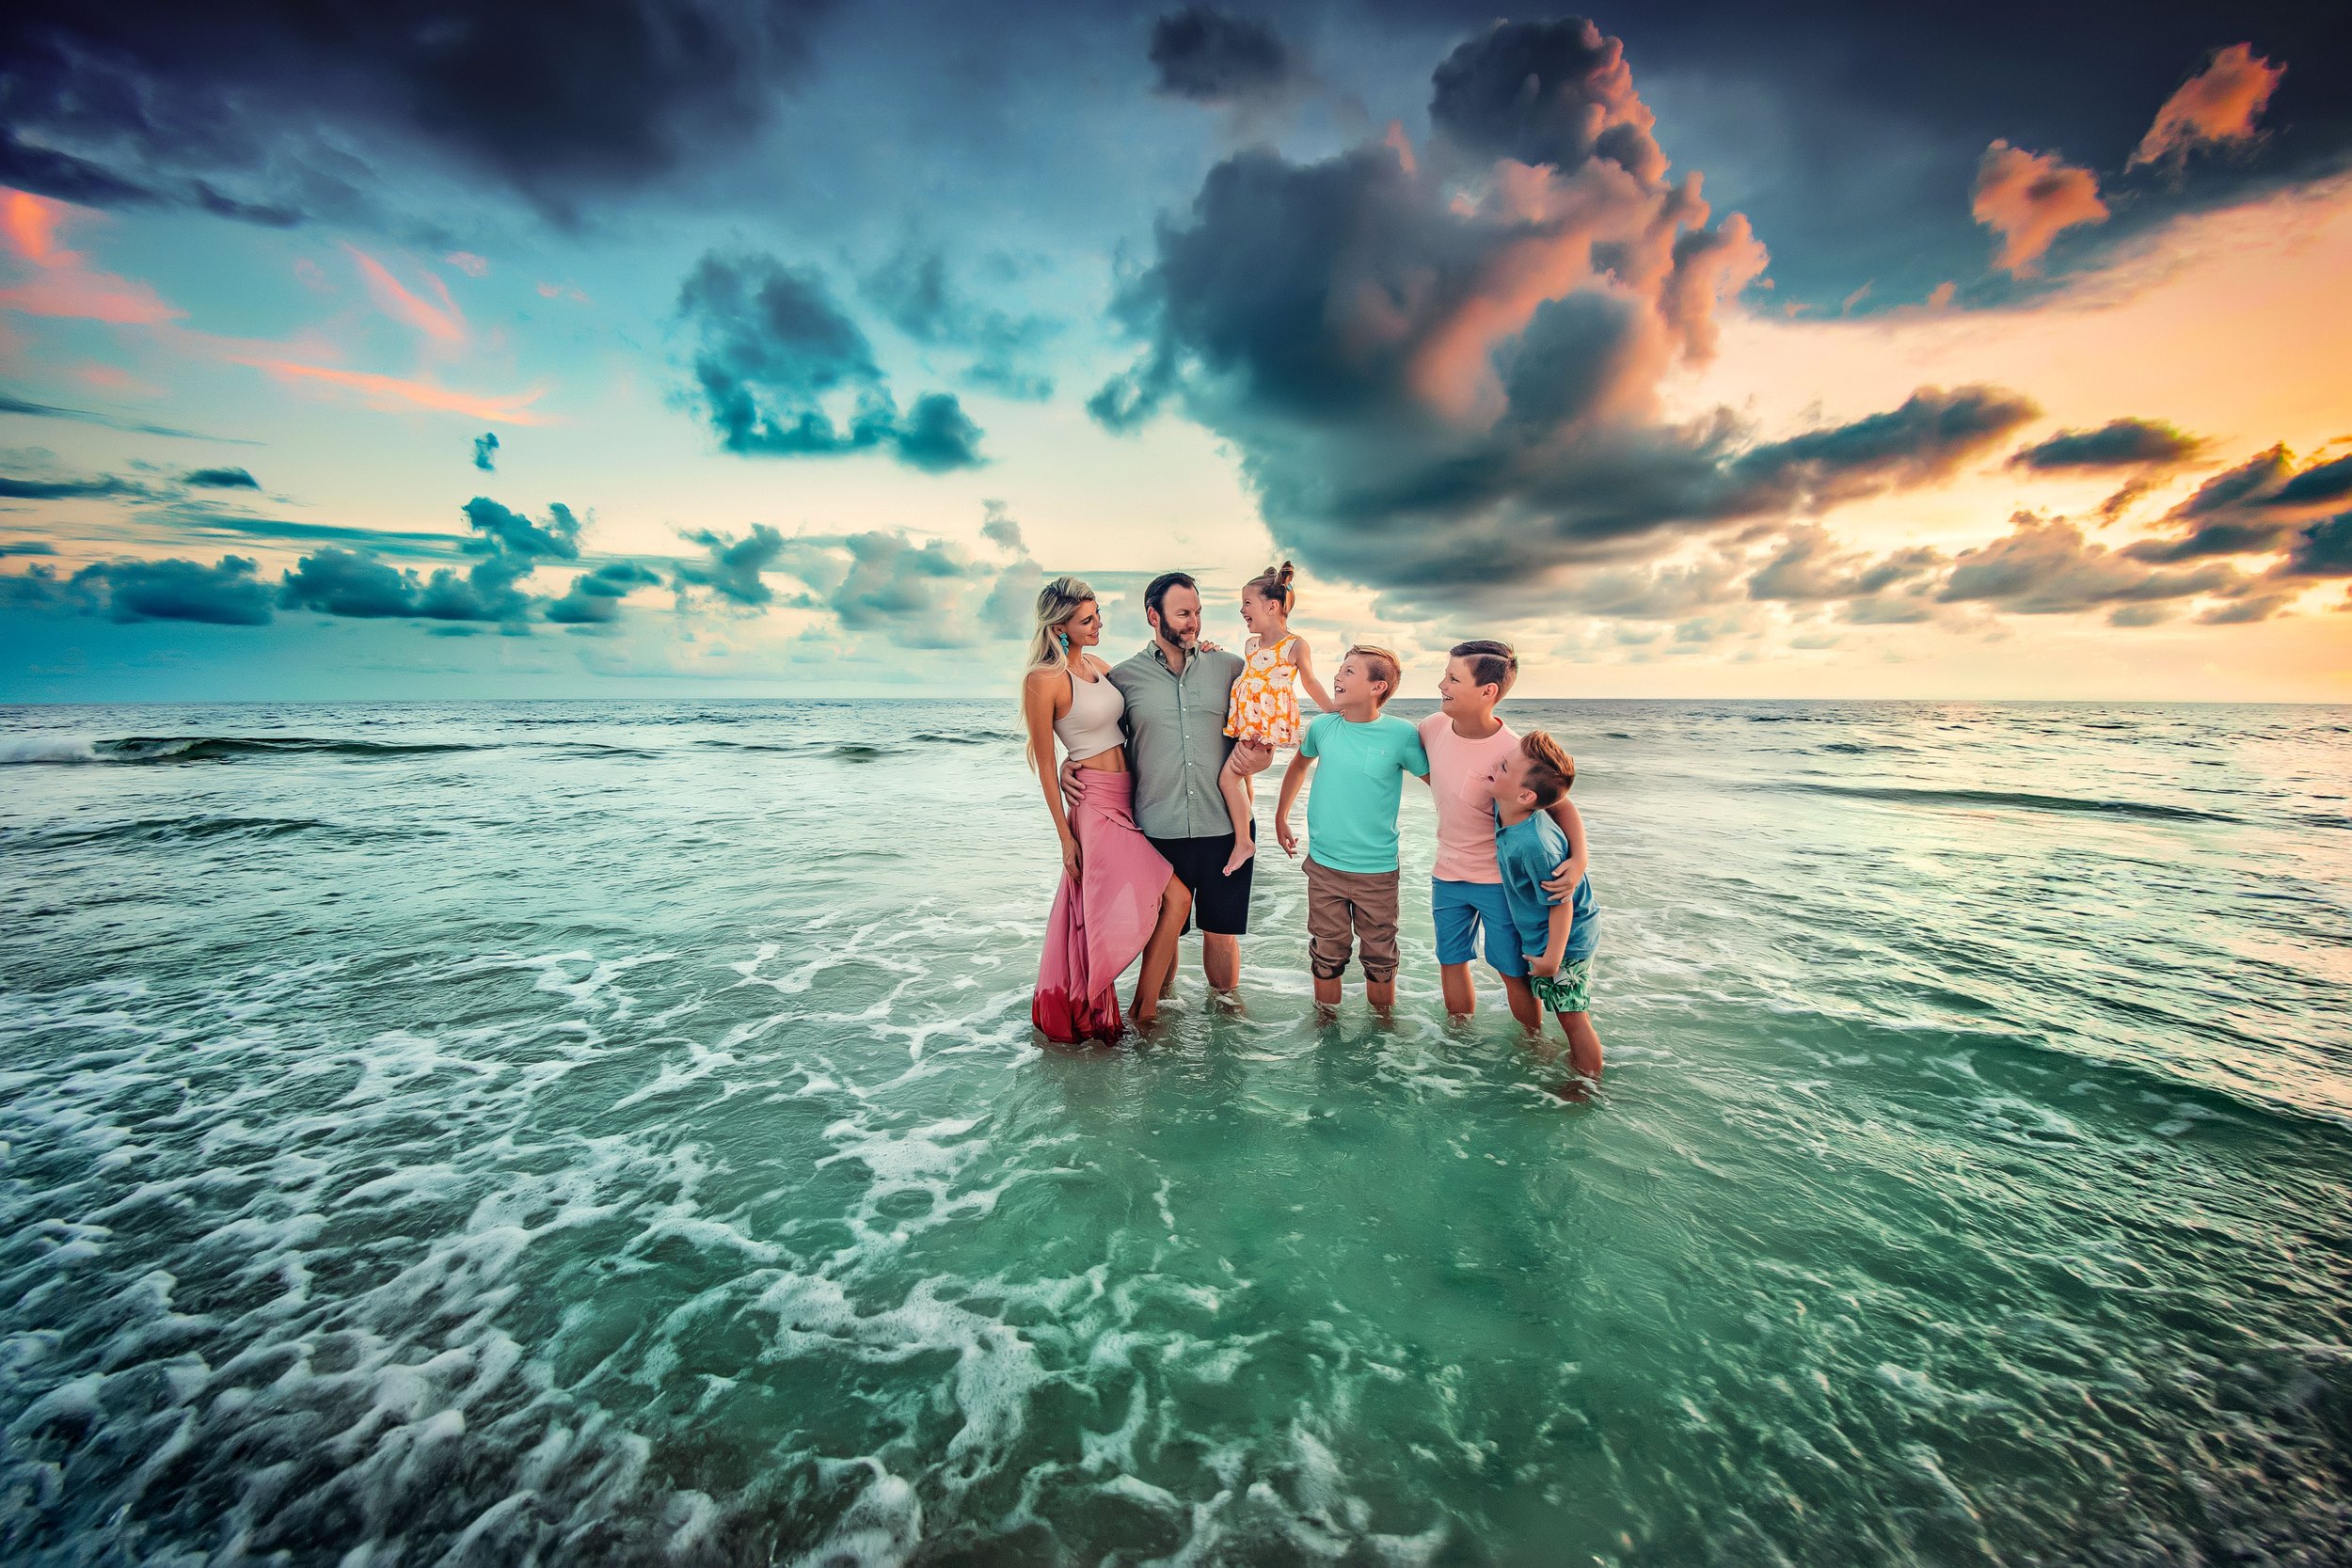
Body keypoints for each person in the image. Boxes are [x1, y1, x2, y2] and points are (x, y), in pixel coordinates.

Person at [1020, 577, 1190, 1044]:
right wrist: (1065, 837)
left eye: (1097, 615)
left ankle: (1146, 1000)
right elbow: (1043, 759)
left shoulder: (1099, 665)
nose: (1098, 624)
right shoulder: (1043, 680)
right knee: (1176, 897)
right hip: (1094, 806)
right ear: (1060, 626)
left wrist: (1196, 650)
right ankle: (1144, 1011)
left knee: (1157, 902)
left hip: (1130, 797)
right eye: (1086, 619)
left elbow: (1146, 698)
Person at [1098, 572, 1270, 1000]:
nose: (1193, 623)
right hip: (1157, 830)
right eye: (1183, 614)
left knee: (1221, 934)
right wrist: (1071, 771)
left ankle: (1227, 1028)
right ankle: (1162, 1035)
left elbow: (1261, 734)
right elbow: (1103, 748)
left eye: (1197, 613)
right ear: (1153, 616)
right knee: (1162, 934)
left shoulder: (1231, 667)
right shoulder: (1124, 679)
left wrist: (1263, 758)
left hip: (1225, 830)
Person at [1418, 640, 1588, 1029]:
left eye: (1453, 678)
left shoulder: (1513, 751)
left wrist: (1579, 859)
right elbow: (1429, 772)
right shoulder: (1431, 727)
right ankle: (1458, 1044)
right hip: (1447, 873)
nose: (1441, 684)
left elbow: (1562, 806)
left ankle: (1531, 1042)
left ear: (1487, 692)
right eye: (1446, 675)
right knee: (1451, 960)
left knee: (1512, 971)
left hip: (1499, 882)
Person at [1271, 646, 1430, 1018]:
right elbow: (1298, 767)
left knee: (1379, 957)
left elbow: (1439, 783)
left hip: (1377, 872)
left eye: (1349, 672)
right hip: (1324, 867)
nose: (1338, 677)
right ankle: (1326, 1029)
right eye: (1340, 669)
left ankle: (1383, 1030)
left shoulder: (1401, 735)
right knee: (1326, 954)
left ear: (1378, 686)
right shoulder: (1323, 727)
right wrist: (1281, 816)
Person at [1486, 730, 1602, 1084]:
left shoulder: (1536, 844)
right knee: (1564, 1009)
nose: (1495, 765)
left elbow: (1562, 905)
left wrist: (1553, 958)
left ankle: (1588, 1084)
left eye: (1504, 766)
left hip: (1567, 939)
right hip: (1547, 935)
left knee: (1572, 1015)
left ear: (1525, 794)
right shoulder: (1510, 805)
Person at [1216, 562, 1335, 877]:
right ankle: (1244, 830)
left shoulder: (1294, 645)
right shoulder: (1251, 645)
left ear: (1272, 606)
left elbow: (1309, 682)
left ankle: (1244, 842)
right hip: (1245, 728)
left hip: (1262, 734)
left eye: (1247, 603)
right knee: (1242, 783)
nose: (1242, 610)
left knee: (1227, 780)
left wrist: (1333, 711)